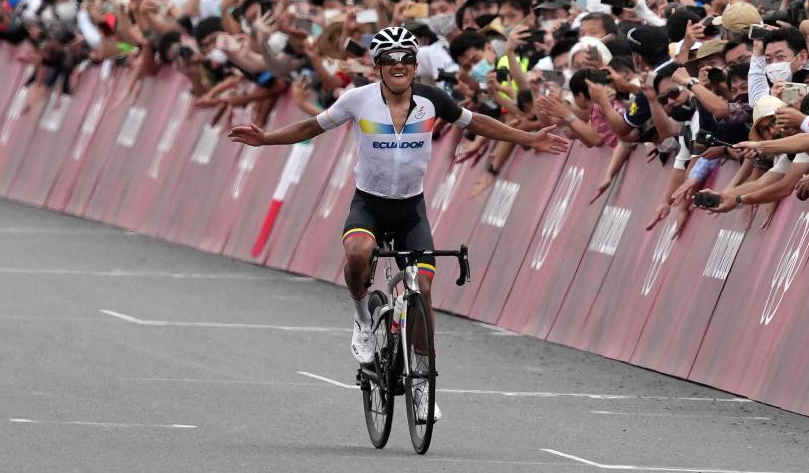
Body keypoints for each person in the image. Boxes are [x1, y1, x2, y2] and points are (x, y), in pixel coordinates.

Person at [227, 27, 569, 422]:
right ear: (378, 67)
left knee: (422, 289)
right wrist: (266, 138)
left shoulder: (431, 100)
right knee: (357, 252)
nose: (399, 66)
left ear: (414, 64)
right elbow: (312, 127)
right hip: (369, 205)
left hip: (411, 210)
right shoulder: (358, 100)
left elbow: (477, 123)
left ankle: (422, 385)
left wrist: (527, 140)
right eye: (390, 60)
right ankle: (361, 319)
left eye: (406, 59)